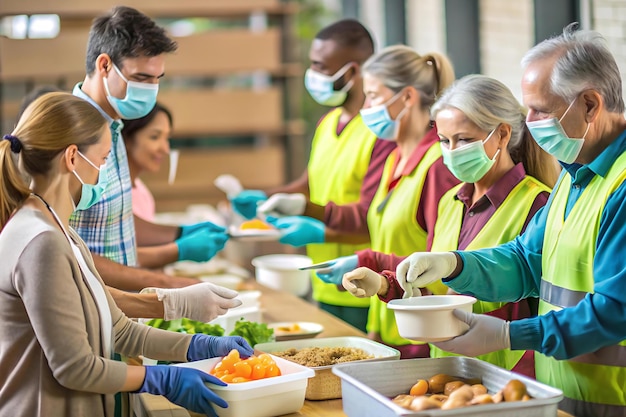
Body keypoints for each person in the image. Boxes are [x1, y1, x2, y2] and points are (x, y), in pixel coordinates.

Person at [354, 25, 626, 417]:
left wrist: (509, 335)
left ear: (589, 104)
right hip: (563, 394)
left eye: (541, 110)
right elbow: (525, 260)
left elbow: (615, 311)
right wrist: (455, 264)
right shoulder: (576, 173)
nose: (528, 122)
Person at [0, 92, 254, 417]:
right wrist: (162, 379)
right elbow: (75, 367)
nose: (105, 173)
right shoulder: (41, 242)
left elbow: (119, 329)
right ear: (73, 158)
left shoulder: (59, 230)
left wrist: (196, 346)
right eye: (104, 159)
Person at [341, 74, 560, 375]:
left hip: (506, 380)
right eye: (444, 140)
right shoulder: (450, 202)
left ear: (502, 134)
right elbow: (440, 295)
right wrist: (384, 282)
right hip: (448, 373)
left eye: (465, 139)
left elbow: (538, 309)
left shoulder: (537, 204)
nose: (452, 150)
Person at [265, 45, 459, 357]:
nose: (365, 107)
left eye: (373, 96)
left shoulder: (436, 166)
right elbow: (373, 224)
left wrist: (367, 263)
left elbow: (443, 266)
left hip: (422, 339)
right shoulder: (395, 158)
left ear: (407, 98)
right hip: (388, 330)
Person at [16, 86, 242, 324]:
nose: (165, 148)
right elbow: (78, 342)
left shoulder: (62, 230)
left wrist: (179, 237)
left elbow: (98, 303)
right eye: (104, 160)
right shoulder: (43, 237)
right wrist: (173, 281)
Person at [230, 19, 397, 332]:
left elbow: (370, 218)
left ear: (351, 72)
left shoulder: (380, 134)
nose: (313, 75)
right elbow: (310, 183)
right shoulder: (327, 123)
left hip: (364, 284)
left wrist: (311, 222)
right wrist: (266, 199)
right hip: (322, 278)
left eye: (320, 66)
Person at [70, 6, 229, 293]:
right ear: (104, 65)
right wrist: (165, 283)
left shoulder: (113, 126)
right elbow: (64, 253)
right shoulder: (70, 135)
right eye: (142, 78)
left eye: (158, 79)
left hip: (119, 312)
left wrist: (180, 233)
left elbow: (112, 217)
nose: (152, 90)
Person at [122, 102, 172, 223]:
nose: (165, 149)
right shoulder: (114, 197)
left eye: (167, 138)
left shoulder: (141, 191)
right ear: (127, 138)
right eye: (155, 137)